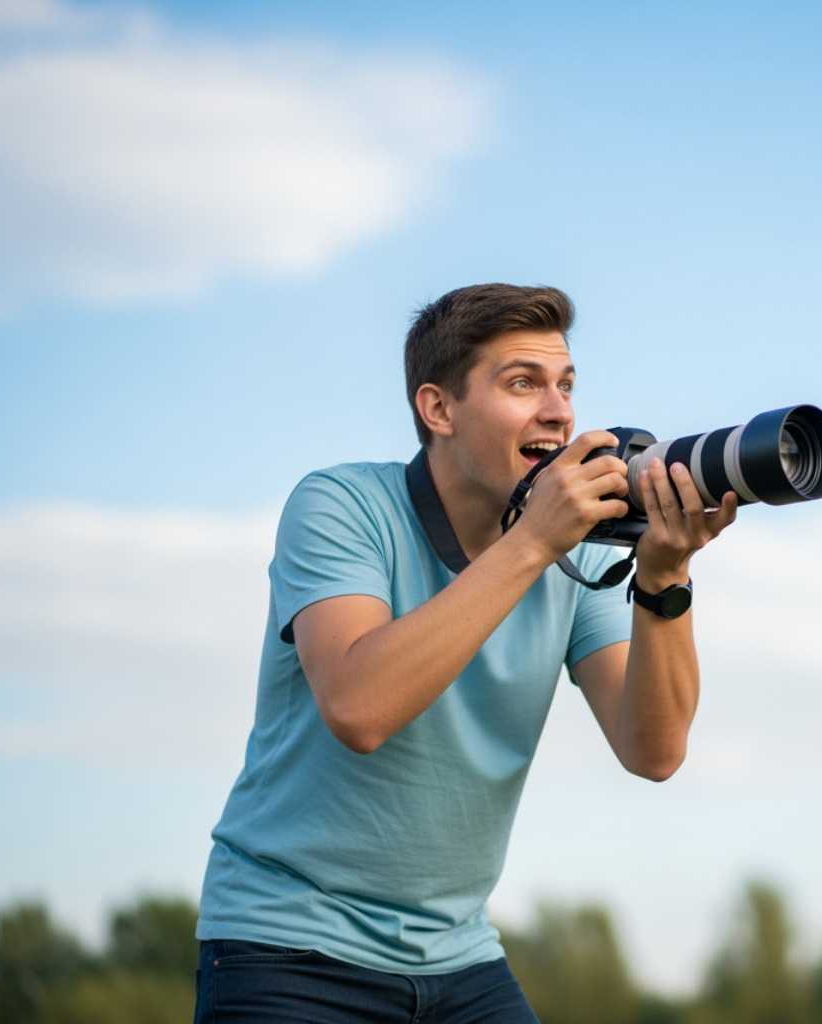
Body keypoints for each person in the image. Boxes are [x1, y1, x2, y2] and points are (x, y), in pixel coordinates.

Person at [193, 284, 736, 1023]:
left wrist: (664, 578)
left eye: (566, 384)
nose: (559, 411)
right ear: (438, 409)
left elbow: (654, 749)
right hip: (287, 948)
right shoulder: (341, 506)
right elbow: (358, 708)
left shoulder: (577, 553)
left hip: (458, 956)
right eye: (523, 383)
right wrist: (533, 540)